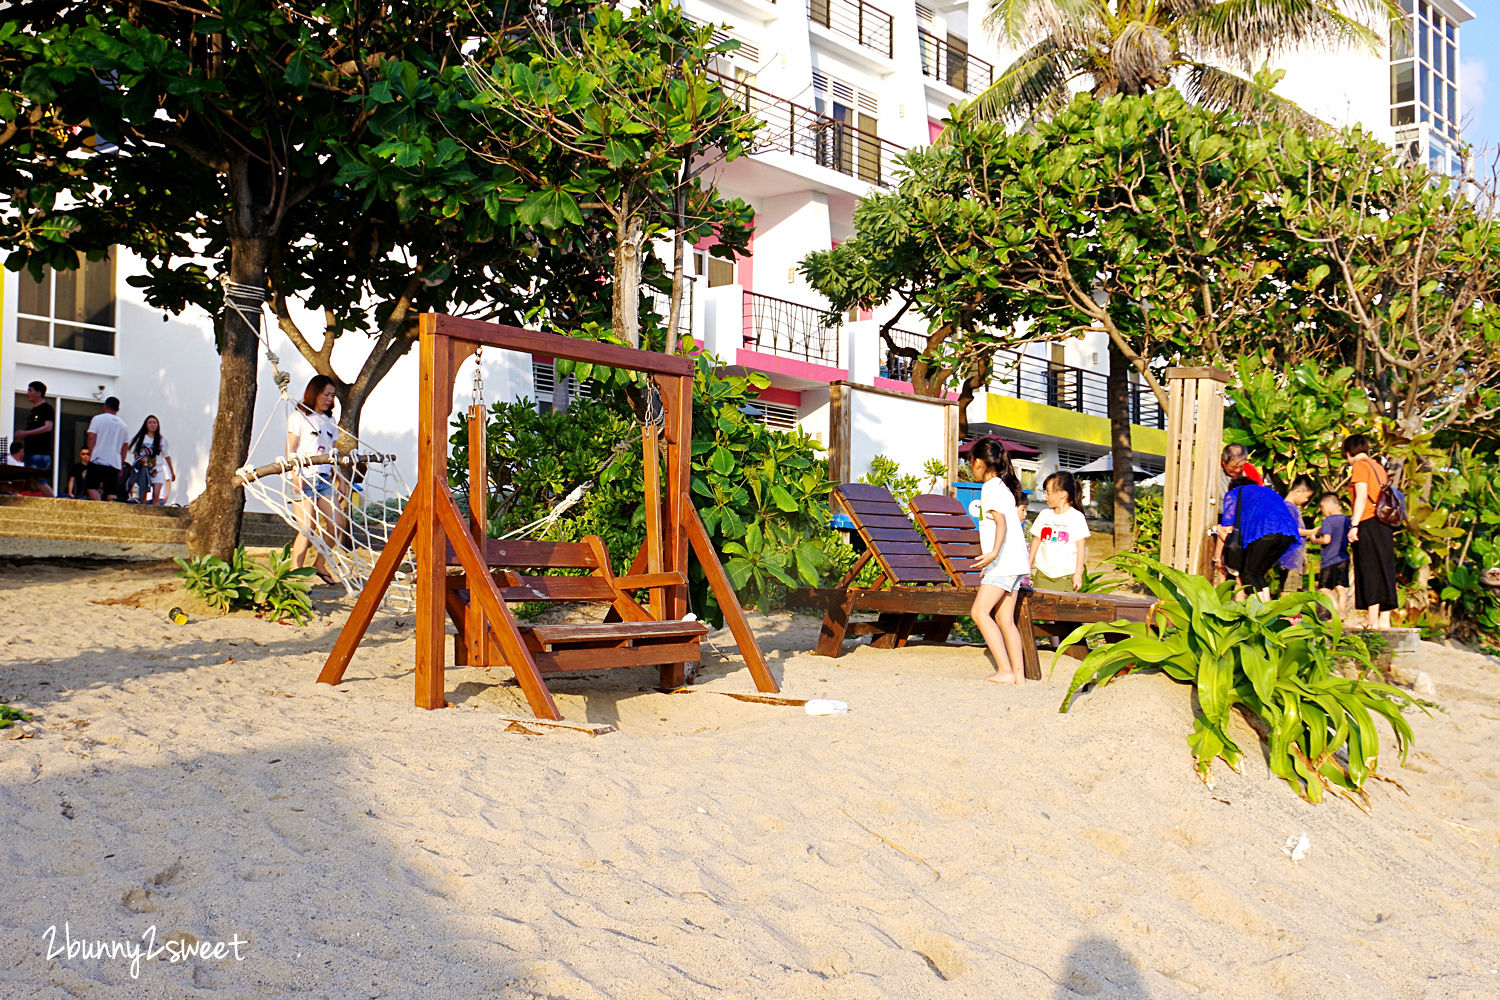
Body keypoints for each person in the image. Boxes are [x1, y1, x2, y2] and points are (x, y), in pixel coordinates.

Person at [967, 437, 1031, 684]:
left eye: (971, 461)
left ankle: (1005, 671)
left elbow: (1001, 524)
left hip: (1004, 560)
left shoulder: (991, 487)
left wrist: (993, 555)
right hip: (1014, 562)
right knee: (1005, 619)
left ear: (980, 462)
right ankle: (1018, 676)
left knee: (979, 612)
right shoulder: (1003, 487)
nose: (971, 466)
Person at [287, 376, 341, 585]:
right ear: (314, 393)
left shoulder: (331, 421)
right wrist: (295, 478)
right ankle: (294, 574)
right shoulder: (298, 416)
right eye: (326, 394)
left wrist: (341, 480)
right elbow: (290, 449)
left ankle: (320, 563)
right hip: (302, 476)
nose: (329, 399)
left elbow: (332, 452)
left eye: (332, 395)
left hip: (324, 478)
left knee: (337, 524)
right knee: (307, 527)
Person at [1212, 476, 1301, 601]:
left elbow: (1227, 528)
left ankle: (1260, 613)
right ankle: (1268, 610)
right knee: (1257, 574)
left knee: (1248, 574)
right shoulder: (1267, 492)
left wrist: (1217, 557)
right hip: (1287, 535)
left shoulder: (1236, 493)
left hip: (1265, 532)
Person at [1344, 433, 1397, 630]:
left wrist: (1354, 525)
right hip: (1384, 522)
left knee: (1369, 568)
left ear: (1349, 452)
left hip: (1368, 520)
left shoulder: (1360, 466)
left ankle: (1371, 621)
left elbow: (1361, 496)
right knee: (1385, 568)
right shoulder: (1378, 466)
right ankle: (1385, 618)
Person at [1028, 470, 1090, 592]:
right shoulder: (1044, 515)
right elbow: (1036, 542)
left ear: (1062, 494)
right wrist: (1027, 567)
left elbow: (1081, 548)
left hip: (1066, 576)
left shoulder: (1076, 517)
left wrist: (1078, 574)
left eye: (1048, 492)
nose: (1045, 496)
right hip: (1042, 574)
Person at [1311, 492, 1353, 616]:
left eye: (1322, 508)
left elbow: (1326, 539)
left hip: (1330, 559)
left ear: (1325, 505)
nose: (1322, 511)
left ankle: (1337, 612)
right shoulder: (1347, 520)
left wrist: (1314, 540)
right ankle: (1343, 614)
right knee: (1341, 589)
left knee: (1324, 588)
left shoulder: (1328, 521)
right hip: (1343, 558)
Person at [84, 396, 129, 501]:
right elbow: (124, 446)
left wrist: (91, 453)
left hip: (97, 459)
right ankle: (111, 510)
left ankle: (99, 506)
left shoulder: (97, 419)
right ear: (118, 409)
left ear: (104, 407)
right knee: (111, 491)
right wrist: (121, 464)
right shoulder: (123, 425)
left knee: (91, 487)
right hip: (114, 462)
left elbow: (91, 437)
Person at [1276, 475, 1316, 593]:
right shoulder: (1288, 508)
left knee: (1293, 591)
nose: (1306, 500)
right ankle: (1287, 612)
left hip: (1294, 561)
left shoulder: (1292, 508)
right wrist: (1312, 531)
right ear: (1298, 492)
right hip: (1289, 560)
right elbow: (1291, 530)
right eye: (1307, 497)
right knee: (1288, 592)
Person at [126, 415, 175, 505]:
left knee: (156, 494)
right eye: (150, 422)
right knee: (143, 493)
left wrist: (172, 472)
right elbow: (133, 450)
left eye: (154, 422)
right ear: (146, 425)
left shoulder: (162, 440)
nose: (152, 425)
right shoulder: (141, 438)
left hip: (157, 470)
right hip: (143, 470)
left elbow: (167, 456)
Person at [14, 381, 55, 472]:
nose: (28, 393)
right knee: (30, 482)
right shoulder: (33, 410)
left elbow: (48, 427)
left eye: (30, 390)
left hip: (40, 452)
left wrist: (25, 433)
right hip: (29, 452)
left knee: (37, 482)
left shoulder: (46, 408)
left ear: (39, 393)